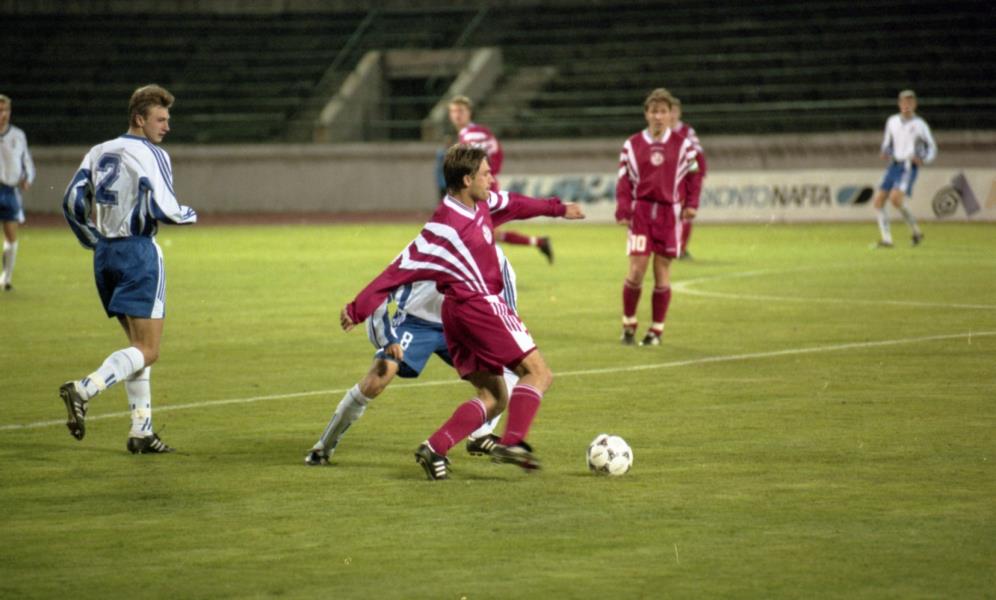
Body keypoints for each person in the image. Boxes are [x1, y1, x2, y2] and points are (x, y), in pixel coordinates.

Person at [340, 144, 584, 480]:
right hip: (481, 307)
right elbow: (394, 273)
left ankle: (434, 447)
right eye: (485, 173)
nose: (492, 179)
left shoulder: (481, 203)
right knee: (538, 374)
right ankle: (513, 442)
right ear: (467, 180)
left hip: (454, 317)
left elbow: (515, 203)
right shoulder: (440, 231)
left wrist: (557, 209)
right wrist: (357, 309)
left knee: (494, 396)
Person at [61, 84, 197, 454]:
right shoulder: (153, 154)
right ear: (139, 118)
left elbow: (71, 201)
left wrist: (92, 239)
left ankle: (142, 431)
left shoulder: (98, 150)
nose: (166, 127)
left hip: (105, 255)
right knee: (149, 350)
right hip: (138, 253)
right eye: (160, 119)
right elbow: (166, 209)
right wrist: (190, 214)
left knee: (137, 348)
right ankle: (84, 389)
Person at [305, 246, 520, 466]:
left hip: (461, 325)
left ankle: (481, 433)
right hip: (416, 324)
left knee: (510, 367)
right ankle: (323, 446)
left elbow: (507, 309)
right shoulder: (427, 246)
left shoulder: (496, 258)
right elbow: (380, 293)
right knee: (379, 376)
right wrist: (387, 340)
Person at [615, 88, 701, 347]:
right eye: (654, 111)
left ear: (670, 114)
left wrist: (691, 204)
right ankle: (629, 324)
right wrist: (623, 209)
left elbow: (694, 175)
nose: (658, 116)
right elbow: (623, 181)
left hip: (669, 214)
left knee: (662, 270)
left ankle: (656, 330)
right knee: (636, 270)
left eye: (663, 111)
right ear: (646, 114)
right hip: (641, 212)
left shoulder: (683, 145)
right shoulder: (632, 145)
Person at [448, 95, 554, 263]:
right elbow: (497, 155)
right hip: (485, 186)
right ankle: (539, 242)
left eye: (460, 111)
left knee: (469, 230)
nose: (456, 115)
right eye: (453, 111)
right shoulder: (478, 132)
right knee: (487, 232)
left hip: (480, 188)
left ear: (469, 113)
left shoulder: (472, 135)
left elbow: (476, 163)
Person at [872, 89, 936, 248]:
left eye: (910, 102)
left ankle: (915, 231)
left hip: (908, 166)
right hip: (893, 165)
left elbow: (932, 147)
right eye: (904, 102)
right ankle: (887, 240)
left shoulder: (920, 124)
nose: (907, 105)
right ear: (899, 104)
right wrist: (885, 151)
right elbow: (887, 143)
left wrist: (924, 159)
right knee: (878, 201)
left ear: (915, 104)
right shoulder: (892, 121)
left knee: (895, 199)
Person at [0, 94, 35, 291]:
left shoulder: (18, 135)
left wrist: (28, 178)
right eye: (0, 110)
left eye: (5, 110)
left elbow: (26, 160)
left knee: (11, 235)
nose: (3, 114)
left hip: (10, 190)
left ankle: (6, 278)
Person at [669, 96, 707, 260]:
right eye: (669, 111)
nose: (671, 115)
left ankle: (681, 249)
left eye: (674, 111)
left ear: (679, 113)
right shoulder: (658, 133)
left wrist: (698, 174)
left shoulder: (686, 132)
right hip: (666, 181)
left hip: (684, 179)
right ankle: (669, 247)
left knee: (685, 214)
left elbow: (696, 158)